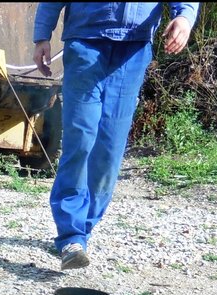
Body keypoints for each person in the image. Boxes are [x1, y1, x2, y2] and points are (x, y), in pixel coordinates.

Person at [33, 3, 199, 270]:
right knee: (81, 139)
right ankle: (71, 236)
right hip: (85, 43)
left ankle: (83, 229)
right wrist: (42, 36)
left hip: (132, 50)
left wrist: (184, 18)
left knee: (109, 149)